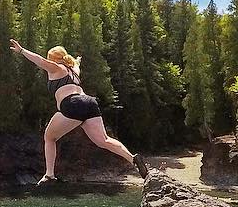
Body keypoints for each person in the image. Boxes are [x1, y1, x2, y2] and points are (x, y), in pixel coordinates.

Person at [10, 39, 149, 183]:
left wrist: (22, 51)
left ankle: (49, 174)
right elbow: (76, 64)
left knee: (49, 137)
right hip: (89, 102)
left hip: (72, 104)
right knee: (104, 140)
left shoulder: (57, 68)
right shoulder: (74, 71)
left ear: (53, 59)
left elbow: (39, 60)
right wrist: (77, 60)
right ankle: (133, 158)